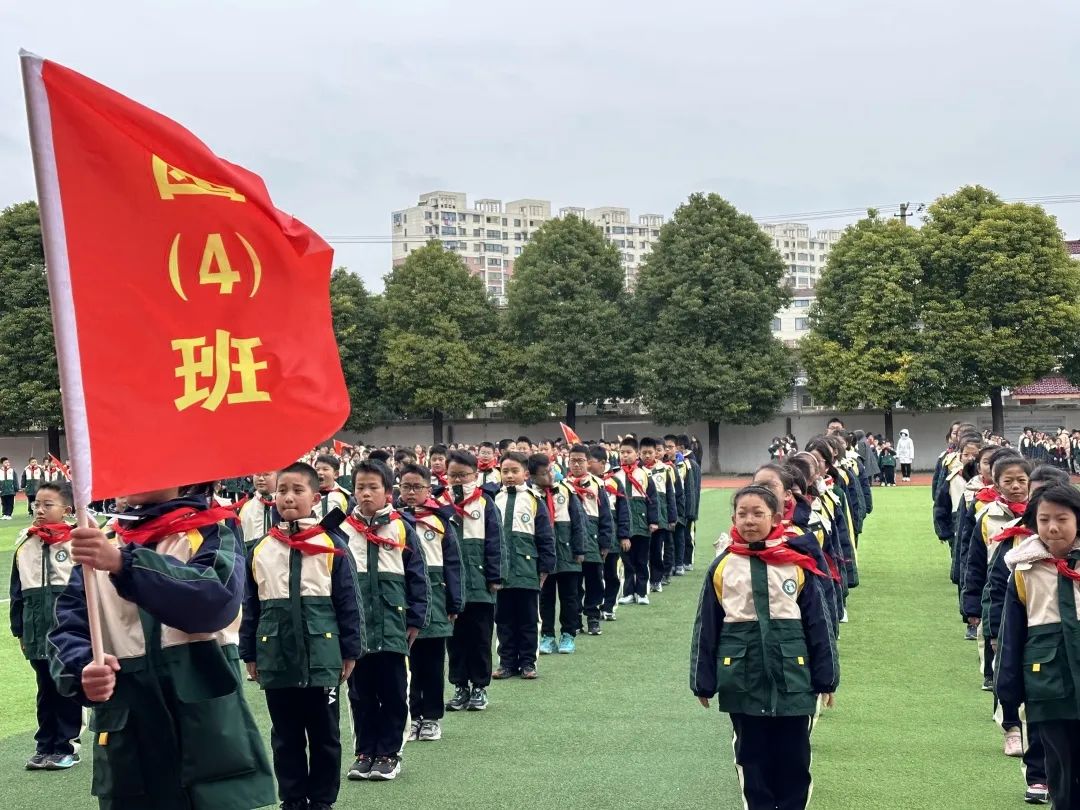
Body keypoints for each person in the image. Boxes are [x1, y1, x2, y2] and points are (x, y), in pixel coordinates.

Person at [51, 481, 276, 810]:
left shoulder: (210, 528)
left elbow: (213, 602)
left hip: (204, 729)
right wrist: (81, 666)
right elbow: (67, 627)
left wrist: (123, 564)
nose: (132, 474)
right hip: (129, 731)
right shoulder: (102, 541)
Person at [690, 485, 838, 810]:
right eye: (742, 514)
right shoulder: (723, 567)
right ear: (733, 518)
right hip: (742, 681)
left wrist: (827, 679)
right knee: (751, 761)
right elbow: (707, 626)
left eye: (758, 513)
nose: (750, 520)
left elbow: (819, 625)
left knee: (794, 763)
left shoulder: (798, 563)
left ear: (775, 518)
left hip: (794, 680)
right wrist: (702, 681)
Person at [241, 462, 363, 809]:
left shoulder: (332, 545)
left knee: (325, 736)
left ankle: (322, 801)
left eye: (297, 490)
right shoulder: (262, 549)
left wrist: (350, 650)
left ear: (315, 495)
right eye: (282, 490)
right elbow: (252, 606)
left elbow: (349, 602)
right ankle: (293, 800)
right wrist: (249, 653)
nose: (288, 497)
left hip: (323, 658)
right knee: (285, 736)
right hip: (276, 658)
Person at [340, 460, 428, 783]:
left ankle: (389, 753)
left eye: (373, 487)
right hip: (357, 630)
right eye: (360, 487)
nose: (365, 493)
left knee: (393, 691)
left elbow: (418, 578)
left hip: (393, 625)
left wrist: (416, 618)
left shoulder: (401, 527)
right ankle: (365, 751)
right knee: (360, 692)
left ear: (388, 492)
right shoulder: (342, 531)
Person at [996, 483, 1080, 809]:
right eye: (1044, 519)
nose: (1053, 527)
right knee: (1060, 769)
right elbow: (1012, 635)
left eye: (1062, 518)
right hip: (1047, 685)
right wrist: (1008, 689)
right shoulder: (1023, 568)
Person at [9, 482, 83, 770]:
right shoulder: (25, 546)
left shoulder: (77, 542)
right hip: (36, 632)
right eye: (37, 504)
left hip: (68, 633)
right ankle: (45, 745)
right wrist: (20, 630)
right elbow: (17, 594)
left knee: (65, 686)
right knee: (45, 688)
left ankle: (66, 746)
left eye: (47, 504)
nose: (39, 509)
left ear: (66, 510)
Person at [397, 463, 463, 743]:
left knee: (433, 663)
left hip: (436, 600)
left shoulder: (440, 521)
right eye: (405, 487)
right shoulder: (392, 521)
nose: (411, 493)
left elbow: (453, 564)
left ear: (428, 489)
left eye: (417, 487)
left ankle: (432, 717)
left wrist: (454, 603)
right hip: (403, 601)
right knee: (407, 664)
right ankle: (412, 717)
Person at [438, 449, 503, 711]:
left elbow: (496, 542)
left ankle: (479, 687)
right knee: (454, 639)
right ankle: (460, 686)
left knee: (480, 637)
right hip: (449, 587)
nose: (457, 480)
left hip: (479, 586)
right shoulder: (438, 503)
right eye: (452, 475)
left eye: (463, 475)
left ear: (475, 475)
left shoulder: (486, 503)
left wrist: (495, 575)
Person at [492, 452, 554, 679]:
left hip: (528, 571)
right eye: (505, 471)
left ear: (526, 474)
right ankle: (506, 663)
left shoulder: (534, 500)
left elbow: (546, 537)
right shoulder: (493, 500)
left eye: (514, 471)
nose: (509, 476)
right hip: (502, 573)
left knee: (528, 619)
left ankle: (528, 662)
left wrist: (546, 567)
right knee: (504, 619)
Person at [533, 454, 587, 656]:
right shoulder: (531, 494)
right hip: (543, 557)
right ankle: (547, 635)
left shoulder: (567, 490)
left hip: (567, 554)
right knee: (545, 598)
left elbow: (579, 522)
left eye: (551, 470)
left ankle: (568, 634)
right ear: (533, 476)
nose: (550, 475)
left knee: (570, 596)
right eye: (544, 473)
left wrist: (580, 549)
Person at [565, 444, 615, 636]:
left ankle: (593, 617)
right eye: (573, 460)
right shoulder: (563, 485)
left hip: (593, 539)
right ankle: (575, 619)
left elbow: (606, 516)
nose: (576, 465)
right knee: (574, 583)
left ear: (588, 462)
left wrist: (605, 542)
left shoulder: (597, 484)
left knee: (594, 580)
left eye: (581, 461)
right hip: (570, 541)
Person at [611, 437, 659, 606]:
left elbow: (653, 499)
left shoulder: (644, 475)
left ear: (636, 454)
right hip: (624, 528)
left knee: (641, 559)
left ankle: (642, 592)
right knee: (627, 561)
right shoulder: (615, 475)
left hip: (642, 525)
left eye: (628, 452)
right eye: (622, 452)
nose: (625, 456)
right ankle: (628, 592)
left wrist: (654, 521)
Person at [591, 445, 630, 621]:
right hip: (592, 538)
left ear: (603, 463)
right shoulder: (583, 482)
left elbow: (623, 510)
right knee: (594, 576)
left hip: (612, 538)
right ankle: (595, 606)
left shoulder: (614, 482)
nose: (588, 466)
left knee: (611, 574)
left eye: (590, 462)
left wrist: (624, 535)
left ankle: (609, 606)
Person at [639, 437, 679, 594]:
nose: (648, 456)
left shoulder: (665, 469)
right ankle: (643, 580)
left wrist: (672, 518)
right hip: (642, 520)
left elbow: (671, 495)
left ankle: (657, 579)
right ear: (639, 453)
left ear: (656, 452)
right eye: (644, 453)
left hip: (661, 519)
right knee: (643, 552)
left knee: (657, 550)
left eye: (651, 452)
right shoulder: (637, 471)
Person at [676, 434, 702, 572]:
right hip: (682, 506)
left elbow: (694, 490)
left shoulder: (691, 463)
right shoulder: (680, 462)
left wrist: (691, 510)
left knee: (687, 535)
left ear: (680, 447)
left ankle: (688, 560)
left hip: (689, 507)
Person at [237, 470, 279, 551]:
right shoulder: (246, 507)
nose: (261, 478)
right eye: (257, 474)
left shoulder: (285, 505)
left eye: (267, 474)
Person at [313, 454, 353, 519]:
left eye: (325, 469)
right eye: (317, 469)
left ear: (336, 474)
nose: (320, 472)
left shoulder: (346, 497)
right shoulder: (308, 494)